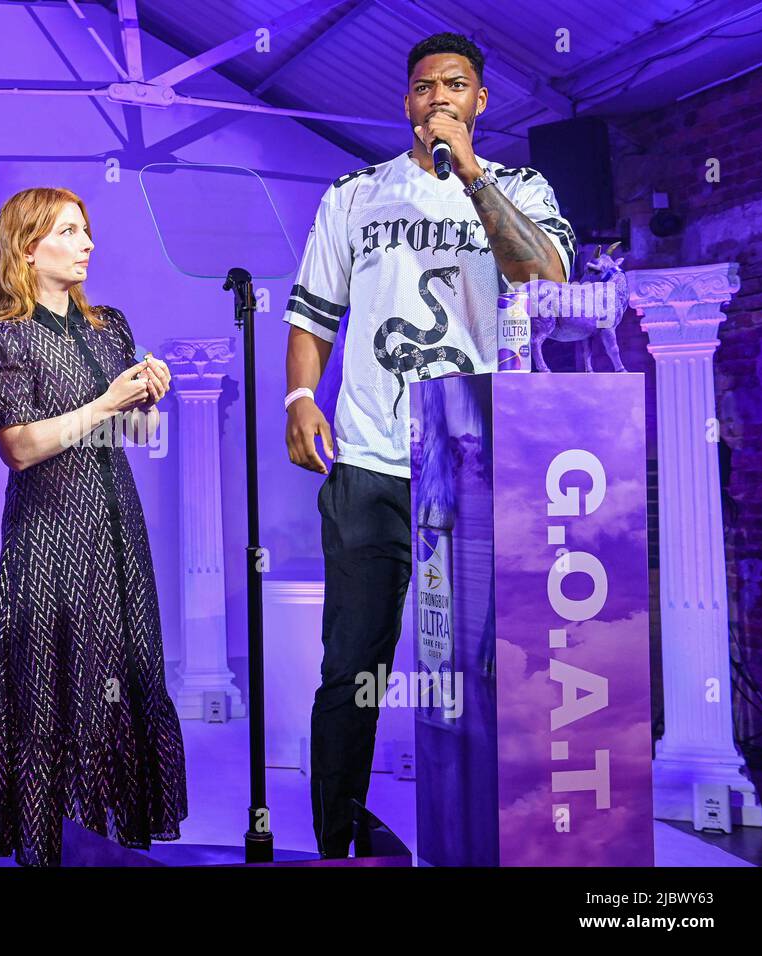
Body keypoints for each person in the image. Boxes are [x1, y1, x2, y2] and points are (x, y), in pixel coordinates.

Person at [281, 33, 575, 858]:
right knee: (352, 668)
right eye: (421, 86)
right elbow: (312, 313)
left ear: (481, 102)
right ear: (405, 103)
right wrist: (303, 396)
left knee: (489, 665)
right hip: (371, 461)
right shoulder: (355, 193)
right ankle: (337, 840)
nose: (437, 96)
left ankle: (487, 833)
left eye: (455, 85)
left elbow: (545, 278)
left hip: (479, 464)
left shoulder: (519, 186)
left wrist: (471, 171)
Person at [0, 187, 188, 866]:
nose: (87, 243)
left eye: (86, 230)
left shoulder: (107, 324)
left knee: (121, 674)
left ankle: (108, 844)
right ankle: (47, 846)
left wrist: (150, 397)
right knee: (50, 680)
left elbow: (136, 431)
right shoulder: (0, 337)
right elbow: (21, 447)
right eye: (69, 231)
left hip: (115, 526)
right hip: (48, 533)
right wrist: (107, 400)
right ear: (28, 246)